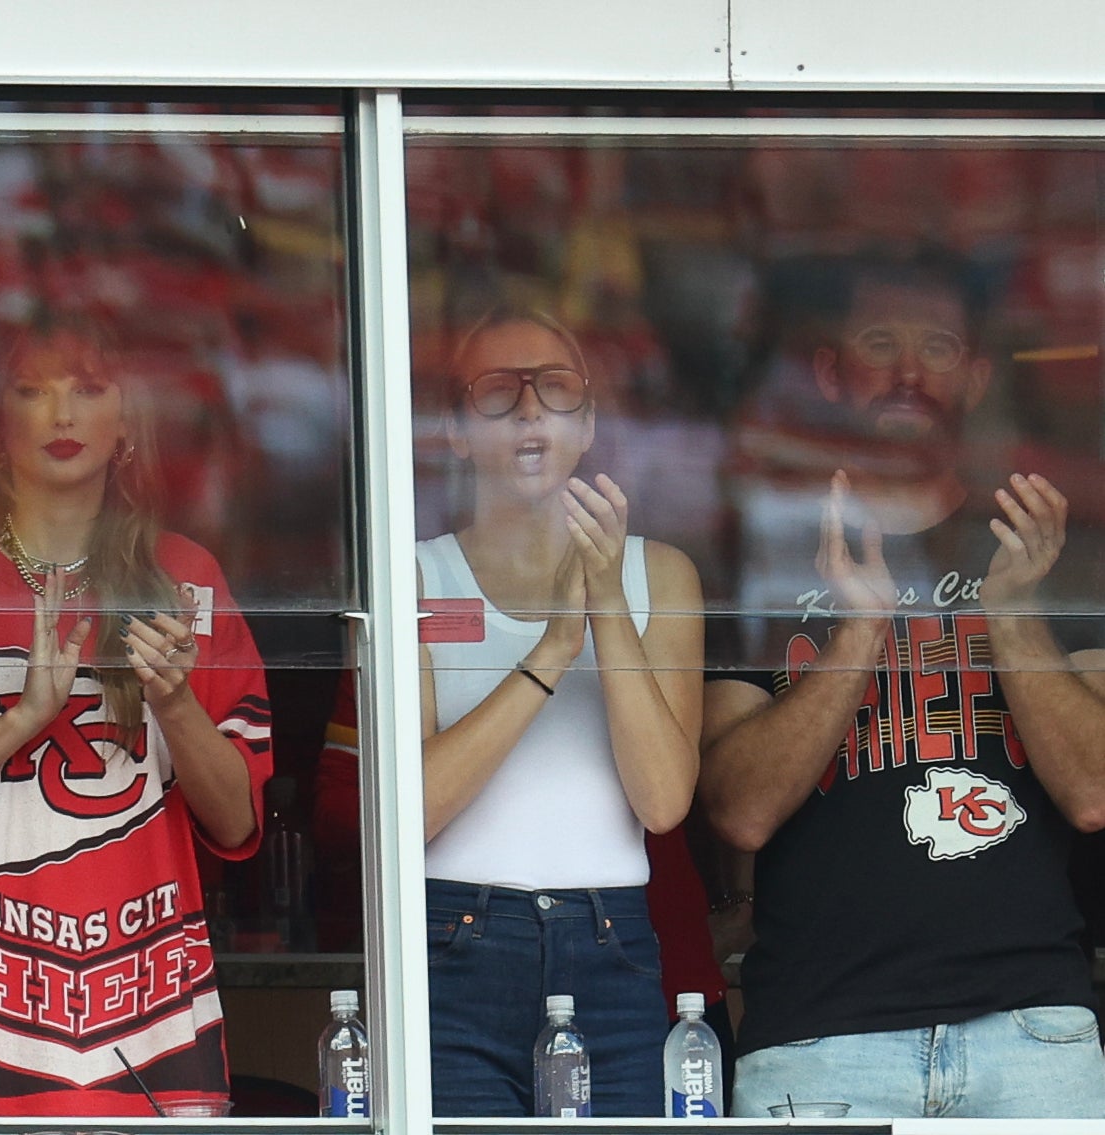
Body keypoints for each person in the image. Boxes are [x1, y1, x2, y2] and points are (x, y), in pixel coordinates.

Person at [701, 251, 1105, 1118]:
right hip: (820, 1042)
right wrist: (861, 625)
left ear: (979, 373)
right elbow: (738, 808)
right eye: (880, 341)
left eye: (940, 345)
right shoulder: (764, 554)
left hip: (1032, 1030)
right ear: (831, 372)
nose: (910, 368)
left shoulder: (1043, 547)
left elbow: (1096, 791)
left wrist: (1012, 612)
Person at [0, 314, 272, 1116]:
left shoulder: (186, 576)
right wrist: (23, 717)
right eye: (31, 391)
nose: (61, 414)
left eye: (89, 389)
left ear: (127, 427)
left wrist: (172, 700)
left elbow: (240, 820)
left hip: (151, 1016)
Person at [419, 305, 703, 1117]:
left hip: (610, 935)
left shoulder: (663, 575)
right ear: (456, 430)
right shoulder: (415, 574)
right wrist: (548, 651)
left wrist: (606, 602)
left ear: (589, 425)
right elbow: (411, 809)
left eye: (555, 388)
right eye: (498, 392)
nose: (531, 410)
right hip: (457, 933)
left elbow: (663, 801)